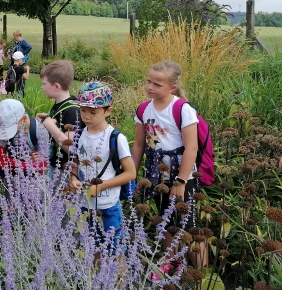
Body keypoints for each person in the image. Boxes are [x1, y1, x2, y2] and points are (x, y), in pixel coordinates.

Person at [131, 60, 207, 274]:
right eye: (148, 81)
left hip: (182, 175)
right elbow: (139, 144)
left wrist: (181, 181)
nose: (149, 87)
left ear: (172, 87)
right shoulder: (143, 109)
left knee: (188, 225)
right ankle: (168, 264)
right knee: (164, 219)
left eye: (157, 84)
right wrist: (133, 175)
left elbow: (192, 148)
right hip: (156, 174)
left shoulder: (182, 109)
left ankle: (201, 275)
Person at [68, 82, 136, 246]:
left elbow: (130, 173)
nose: (86, 116)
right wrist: (73, 177)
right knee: (91, 247)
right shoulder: (79, 135)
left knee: (114, 248)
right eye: (83, 110)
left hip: (108, 204)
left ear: (108, 111)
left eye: (93, 112)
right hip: (85, 203)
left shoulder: (116, 138)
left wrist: (101, 186)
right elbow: (75, 162)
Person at [37, 60, 83, 177]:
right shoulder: (60, 105)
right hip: (55, 166)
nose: (42, 87)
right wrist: (46, 120)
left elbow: (71, 148)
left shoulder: (72, 111)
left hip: (64, 172)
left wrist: (50, 125)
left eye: (44, 84)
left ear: (56, 86)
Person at [0, 98, 49, 179]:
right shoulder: (5, 128)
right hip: (11, 177)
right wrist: (28, 162)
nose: (7, 133)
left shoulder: (40, 131)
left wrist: (8, 160)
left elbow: (42, 166)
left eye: (12, 128)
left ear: (24, 119)